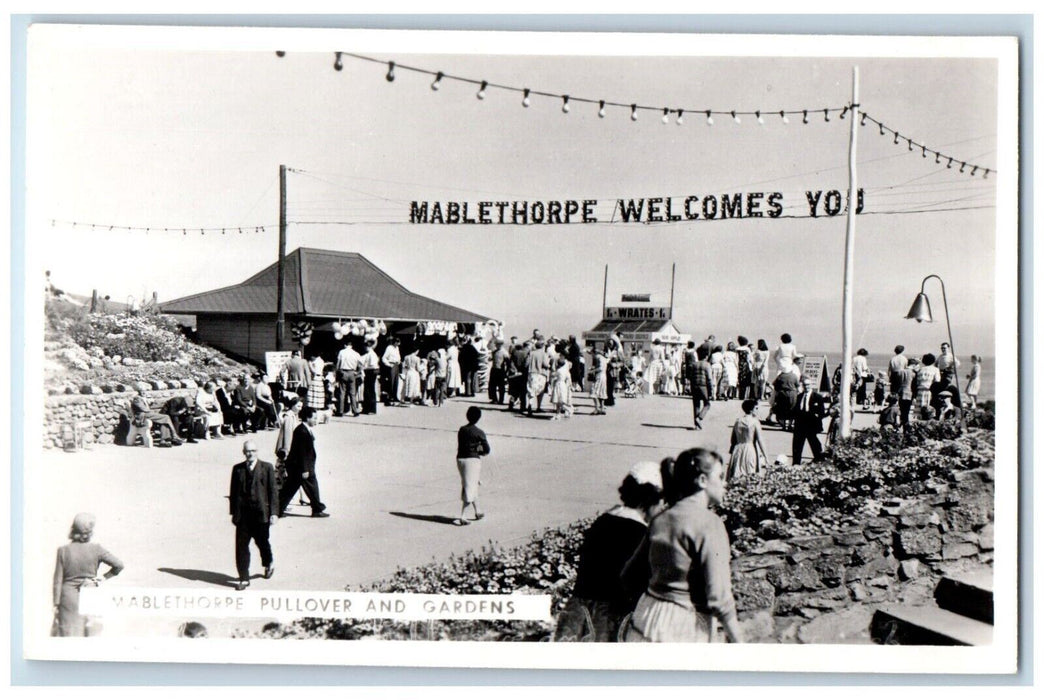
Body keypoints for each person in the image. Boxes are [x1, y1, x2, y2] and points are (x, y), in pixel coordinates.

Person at [621, 448, 743, 644]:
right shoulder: (710, 524)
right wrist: (740, 642)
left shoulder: (661, 519)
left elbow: (630, 575)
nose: (724, 483)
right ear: (702, 480)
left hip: (646, 619)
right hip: (685, 625)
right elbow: (719, 596)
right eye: (720, 477)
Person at [554, 462, 664, 642]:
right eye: (662, 501)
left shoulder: (604, 519)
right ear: (650, 500)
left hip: (577, 614)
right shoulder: (639, 533)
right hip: (610, 620)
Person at [52, 513, 123, 636]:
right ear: (90, 531)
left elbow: (58, 580)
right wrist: (101, 578)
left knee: (69, 637)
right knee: (91, 635)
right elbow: (119, 565)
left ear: (73, 529)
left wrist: (56, 604)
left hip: (68, 598)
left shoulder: (63, 551)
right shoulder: (97, 549)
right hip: (91, 593)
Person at [229, 440, 279, 590]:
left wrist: (274, 513)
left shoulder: (267, 468)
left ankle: (268, 562)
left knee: (262, 543)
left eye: (253, 451)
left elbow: (273, 492)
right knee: (241, 546)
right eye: (247, 451)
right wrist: (234, 513)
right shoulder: (237, 469)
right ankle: (244, 578)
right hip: (243, 516)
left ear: (257, 451)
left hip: (260, 514)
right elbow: (233, 492)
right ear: (244, 452)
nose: (250, 454)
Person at [278, 407, 328, 518]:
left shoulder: (304, 429)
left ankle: (277, 509)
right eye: (314, 418)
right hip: (301, 467)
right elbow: (302, 453)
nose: (316, 420)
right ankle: (317, 509)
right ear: (307, 418)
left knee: (289, 489)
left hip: (299, 466)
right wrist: (305, 469)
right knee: (311, 487)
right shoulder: (302, 432)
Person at [455, 406, 490, 526]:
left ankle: (478, 511)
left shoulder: (462, 429)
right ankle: (463, 516)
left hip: (460, 459)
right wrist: (479, 450)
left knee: (470, 483)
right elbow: (487, 450)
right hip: (472, 460)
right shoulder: (479, 433)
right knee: (470, 486)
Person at [727, 399, 769, 482]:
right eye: (756, 408)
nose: (757, 411)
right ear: (751, 410)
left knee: (737, 472)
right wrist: (766, 456)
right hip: (750, 449)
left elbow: (733, 439)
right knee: (749, 472)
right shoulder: (755, 422)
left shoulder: (738, 421)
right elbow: (760, 440)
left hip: (738, 449)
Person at [791, 375, 827, 464]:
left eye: (808, 385)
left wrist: (816, 419)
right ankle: (796, 463)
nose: (806, 387)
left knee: (815, 445)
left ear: (811, 385)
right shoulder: (799, 397)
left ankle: (819, 460)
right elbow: (795, 411)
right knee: (797, 446)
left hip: (811, 425)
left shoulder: (817, 397)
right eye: (805, 385)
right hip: (800, 425)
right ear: (802, 386)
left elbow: (821, 412)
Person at [689, 345, 713, 430]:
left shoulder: (694, 364)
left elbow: (691, 377)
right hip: (703, 386)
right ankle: (699, 418)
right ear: (706, 356)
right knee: (707, 404)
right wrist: (711, 391)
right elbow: (709, 379)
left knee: (696, 405)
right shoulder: (707, 365)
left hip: (694, 385)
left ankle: (696, 425)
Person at [335, 341, 361, 417]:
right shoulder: (356, 353)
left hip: (343, 372)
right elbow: (361, 364)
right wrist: (357, 372)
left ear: (345, 345)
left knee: (342, 392)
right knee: (352, 393)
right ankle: (355, 410)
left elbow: (338, 364)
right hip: (352, 372)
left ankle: (340, 411)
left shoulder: (341, 352)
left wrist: (338, 372)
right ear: (351, 346)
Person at [525, 340, 551, 415]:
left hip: (531, 373)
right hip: (541, 374)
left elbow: (526, 364)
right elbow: (545, 364)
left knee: (531, 390)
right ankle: (538, 406)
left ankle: (530, 404)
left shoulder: (531, 353)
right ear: (542, 346)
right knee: (540, 391)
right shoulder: (544, 354)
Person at [914, 353, 942, 420]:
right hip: (929, 391)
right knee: (929, 409)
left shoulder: (920, 369)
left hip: (920, 391)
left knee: (920, 411)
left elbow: (917, 381)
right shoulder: (935, 369)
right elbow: (937, 381)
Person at [381, 337, 403, 406]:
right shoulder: (389, 348)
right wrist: (388, 364)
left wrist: (399, 361)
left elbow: (398, 356)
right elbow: (384, 358)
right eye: (397, 343)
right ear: (394, 342)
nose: (398, 345)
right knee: (391, 382)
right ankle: (390, 397)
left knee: (396, 381)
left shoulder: (397, 348)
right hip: (391, 364)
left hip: (396, 365)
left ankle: (395, 396)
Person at [360, 340, 380, 414]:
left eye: (366, 346)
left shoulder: (372, 354)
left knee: (370, 390)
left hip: (370, 372)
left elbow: (372, 365)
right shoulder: (368, 354)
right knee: (367, 391)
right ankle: (366, 408)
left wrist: (364, 367)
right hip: (369, 371)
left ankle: (371, 408)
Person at [488, 340, 509, 405]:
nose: (497, 346)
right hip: (494, 369)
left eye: (499, 345)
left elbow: (508, 362)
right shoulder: (494, 352)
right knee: (492, 386)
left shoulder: (504, 352)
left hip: (500, 370)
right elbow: (491, 359)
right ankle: (494, 399)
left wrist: (506, 371)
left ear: (501, 345)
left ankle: (501, 400)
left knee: (501, 386)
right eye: (496, 344)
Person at [589, 346, 608, 415]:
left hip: (599, 376)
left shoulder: (598, 358)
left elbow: (600, 368)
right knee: (601, 392)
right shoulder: (603, 358)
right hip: (603, 376)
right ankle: (602, 408)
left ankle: (596, 408)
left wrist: (592, 370)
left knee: (594, 391)